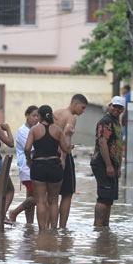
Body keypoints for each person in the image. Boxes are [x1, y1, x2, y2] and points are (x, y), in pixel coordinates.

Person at [25, 105, 73, 230]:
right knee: (53, 200)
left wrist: (29, 160)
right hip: (54, 167)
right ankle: (53, 229)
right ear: (51, 116)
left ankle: (42, 231)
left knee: (41, 201)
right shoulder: (58, 130)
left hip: (38, 167)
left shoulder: (34, 130)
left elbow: (27, 148)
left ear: (40, 116)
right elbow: (66, 149)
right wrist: (68, 137)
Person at [53, 94, 88, 228]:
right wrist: (64, 156)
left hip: (50, 155)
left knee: (53, 196)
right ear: (75, 104)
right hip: (63, 156)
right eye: (82, 108)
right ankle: (62, 228)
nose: (83, 112)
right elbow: (66, 138)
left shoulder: (55, 113)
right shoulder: (71, 118)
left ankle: (51, 227)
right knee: (67, 194)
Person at [91, 96, 125, 227]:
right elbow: (102, 142)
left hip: (112, 164)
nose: (116, 109)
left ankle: (105, 229)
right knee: (103, 197)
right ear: (109, 106)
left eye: (119, 107)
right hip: (102, 163)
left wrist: (119, 167)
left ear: (123, 109)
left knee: (109, 199)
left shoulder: (116, 122)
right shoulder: (105, 122)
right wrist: (109, 166)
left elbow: (118, 146)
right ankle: (98, 228)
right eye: (114, 106)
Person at [8, 105, 39, 224]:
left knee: (30, 198)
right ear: (27, 115)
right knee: (39, 198)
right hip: (28, 167)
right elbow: (31, 148)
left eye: (37, 116)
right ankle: (14, 212)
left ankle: (29, 225)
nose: (36, 119)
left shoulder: (35, 129)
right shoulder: (22, 131)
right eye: (33, 115)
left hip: (33, 167)